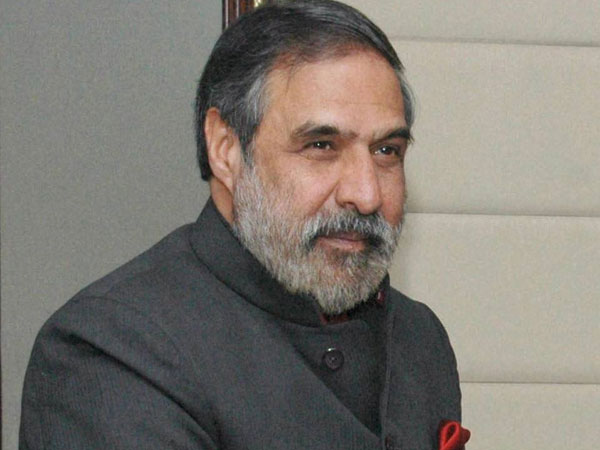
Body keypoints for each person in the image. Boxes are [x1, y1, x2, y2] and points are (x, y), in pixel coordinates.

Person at [20, 1, 464, 449]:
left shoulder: (418, 336)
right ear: (225, 149)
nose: (366, 195)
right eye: (322, 145)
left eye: (387, 151)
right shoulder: (115, 349)